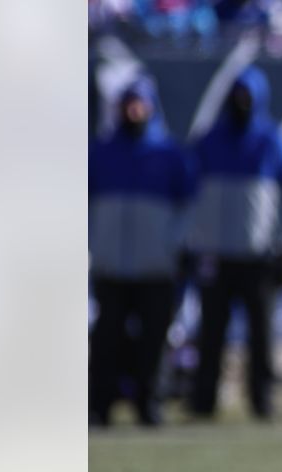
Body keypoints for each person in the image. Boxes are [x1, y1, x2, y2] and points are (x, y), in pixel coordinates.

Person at [188, 65, 282, 421]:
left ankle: (262, 398)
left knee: (261, 336)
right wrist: (191, 244)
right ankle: (203, 398)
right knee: (210, 333)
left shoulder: (274, 141)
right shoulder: (209, 141)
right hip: (217, 253)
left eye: (247, 96)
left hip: (259, 255)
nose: (242, 103)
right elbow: (191, 197)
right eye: (237, 95)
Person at [89, 75, 196, 427]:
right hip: (111, 266)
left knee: (153, 341)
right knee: (106, 339)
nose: (134, 110)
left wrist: (176, 250)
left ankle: (149, 403)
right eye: (128, 103)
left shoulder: (170, 156)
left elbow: (189, 212)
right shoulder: (100, 153)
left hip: (155, 266)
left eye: (140, 103)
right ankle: (99, 404)